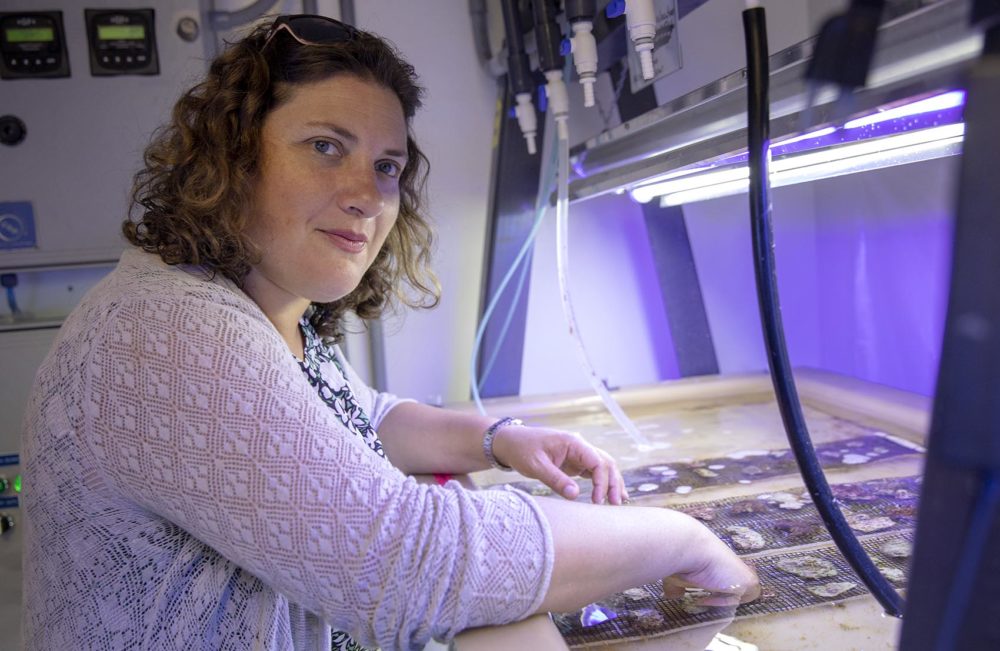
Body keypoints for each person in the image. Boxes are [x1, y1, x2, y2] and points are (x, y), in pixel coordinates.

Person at [21, 14, 758, 651]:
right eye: (325, 146)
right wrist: (682, 537)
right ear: (234, 153)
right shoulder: (167, 329)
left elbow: (356, 416)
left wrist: (499, 437)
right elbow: (403, 564)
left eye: (387, 165)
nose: (368, 195)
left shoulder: (263, 308)